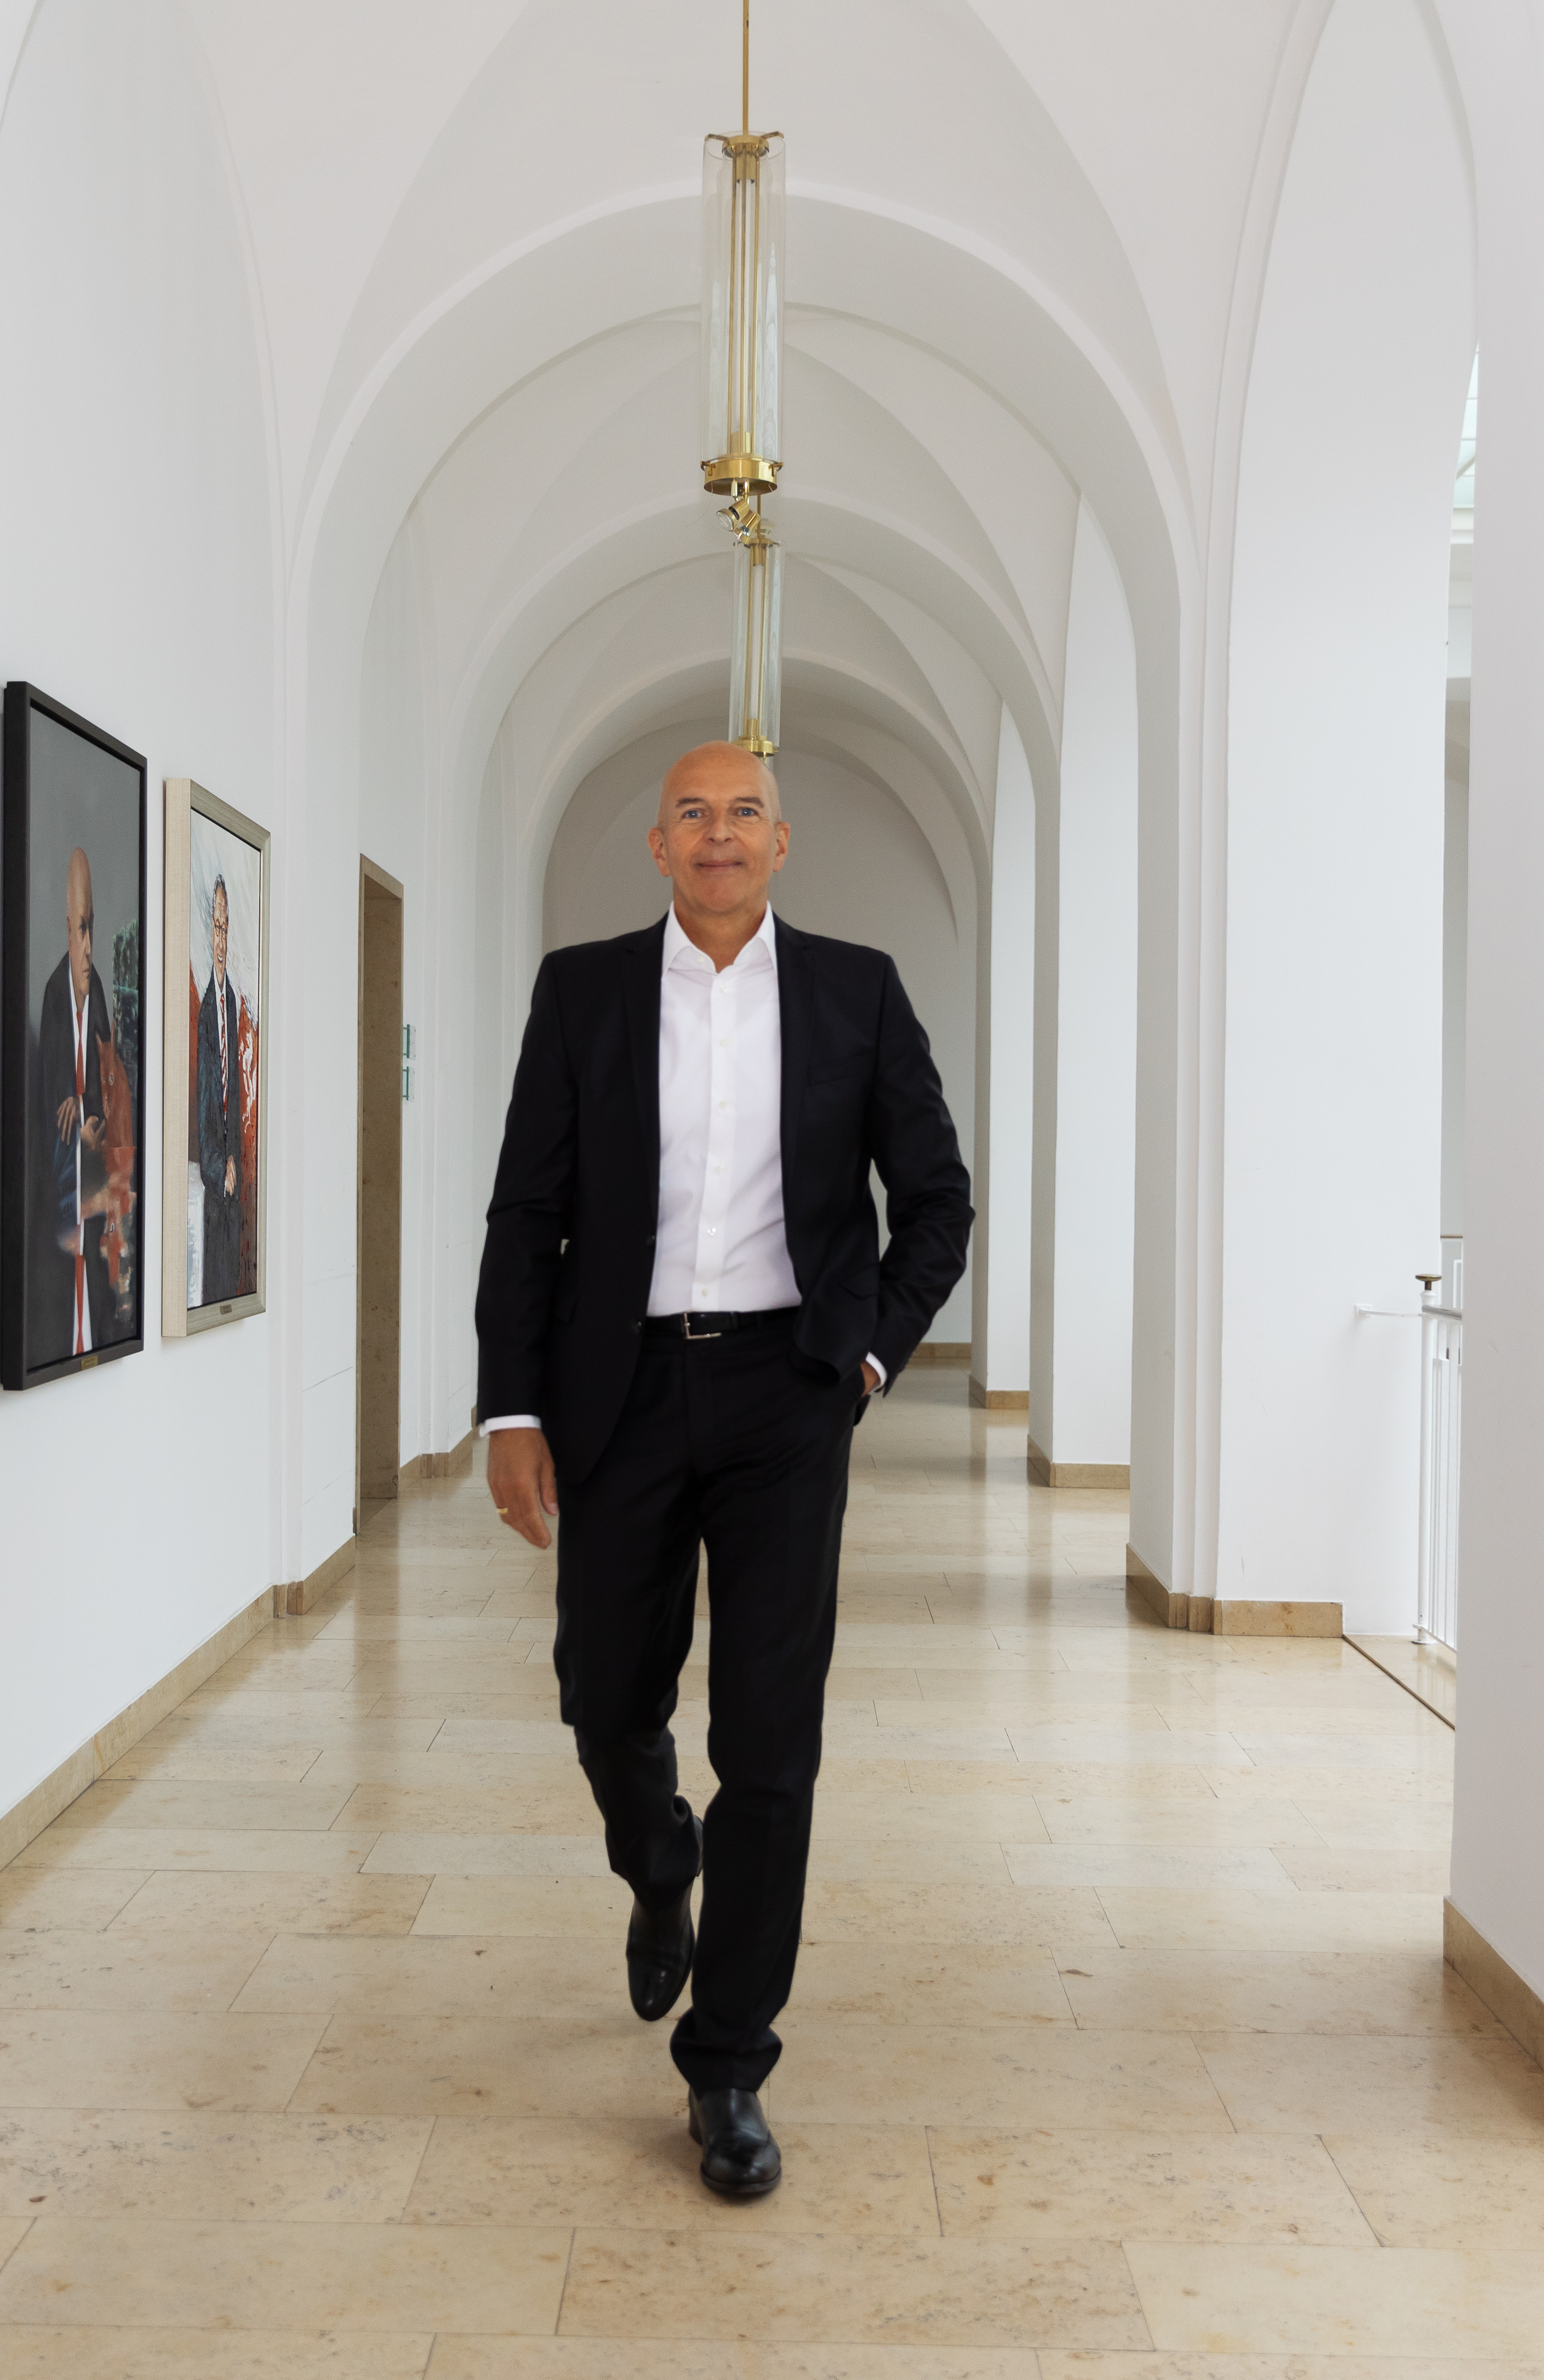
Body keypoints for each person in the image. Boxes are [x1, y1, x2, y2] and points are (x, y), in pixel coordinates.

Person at [475, 741, 973, 2199]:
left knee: (772, 1739)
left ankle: (731, 2063)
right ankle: (655, 1860)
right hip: (616, 1393)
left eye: (745, 811)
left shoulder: (856, 993)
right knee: (602, 1692)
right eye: (692, 812)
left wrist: (865, 1358)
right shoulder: (583, 993)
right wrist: (512, 1408)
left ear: (782, 840)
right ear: (656, 845)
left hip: (784, 1395)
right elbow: (528, 1212)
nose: (719, 835)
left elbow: (932, 1202)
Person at [33, 846, 137, 1359]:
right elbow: (53, 1102)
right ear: (66, 928)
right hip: (63, 1196)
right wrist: (72, 1109)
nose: (90, 947)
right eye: (81, 931)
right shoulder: (55, 994)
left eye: (93, 929)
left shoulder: (95, 985)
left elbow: (103, 1086)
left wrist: (91, 1113)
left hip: (95, 1189)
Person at [192, 873, 257, 1302]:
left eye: (226, 928)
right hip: (215, 1183)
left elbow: (234, 1094)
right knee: (215, 1285)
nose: (221, 940)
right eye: (216, 928)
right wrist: (221, 1168)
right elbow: (203, 1109)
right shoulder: (204, 1013)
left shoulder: (232, 999)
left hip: (232, 1171)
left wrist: (236, 1158)